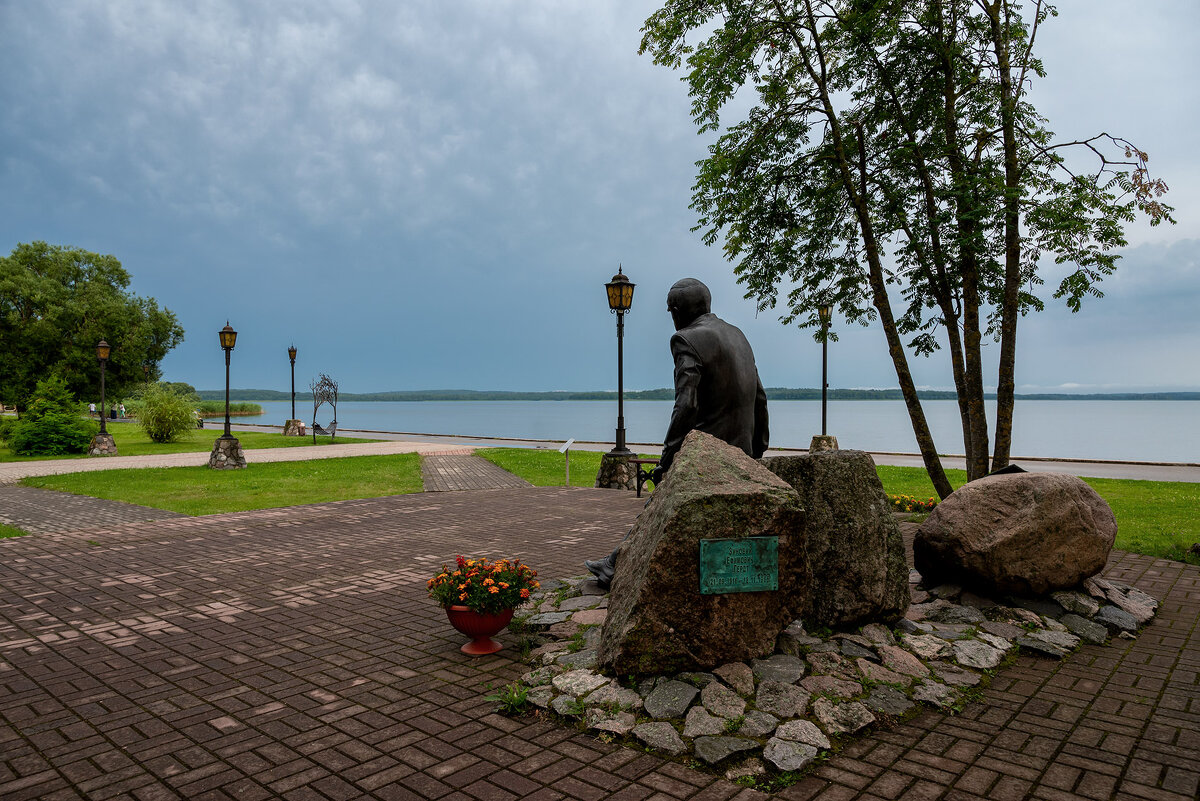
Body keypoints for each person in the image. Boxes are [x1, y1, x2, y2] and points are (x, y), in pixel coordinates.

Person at [585, 277, 769, 588]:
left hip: (710, 455)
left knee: (661, 501)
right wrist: (757, 448)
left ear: (676, 312)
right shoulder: (739, 336)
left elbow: (686, 404)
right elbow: (760, 398)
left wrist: (668, 456)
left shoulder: (686, 338)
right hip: (743, 451)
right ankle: (616, 562)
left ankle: (617, 565)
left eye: (671, 311)